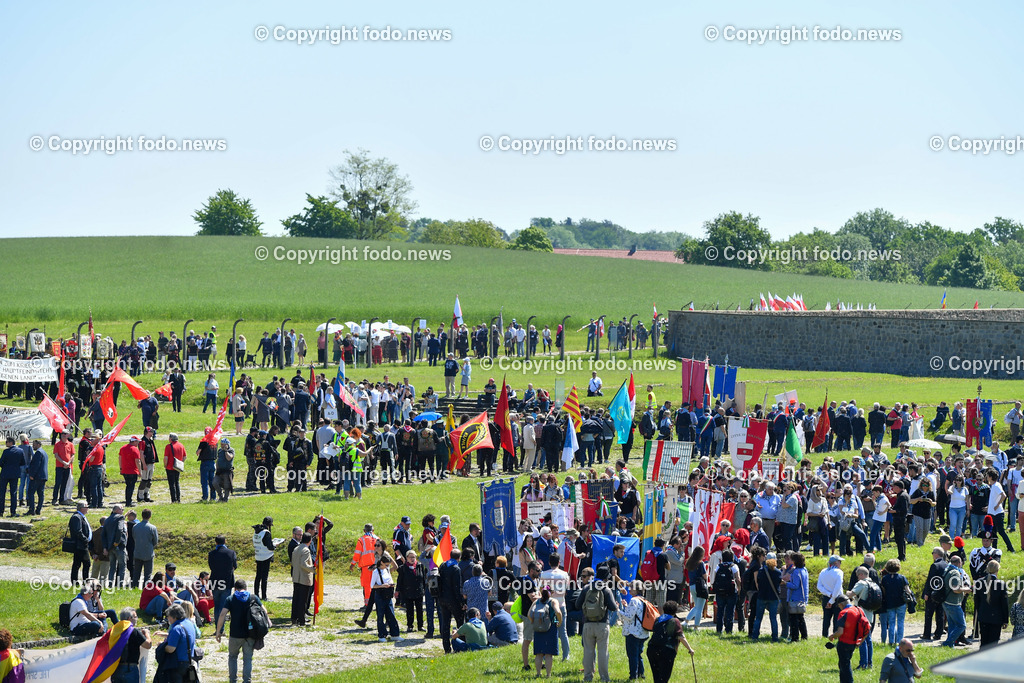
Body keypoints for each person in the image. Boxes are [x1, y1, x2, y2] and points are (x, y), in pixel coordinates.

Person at [576, 568, 618, 683]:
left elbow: (577, 604)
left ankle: (587, 677)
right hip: (602, 624)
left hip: (588, 624)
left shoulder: (586, 588)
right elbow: (613, 607)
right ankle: (604, 678)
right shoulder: (606, 589)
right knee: (603, 652)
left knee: (588, 651)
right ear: (606, 578)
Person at [646, 601, 694, 683]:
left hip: (652, 649)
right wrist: (690, 649)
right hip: (666, 652)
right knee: (664, 678)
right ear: (675, 611)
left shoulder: (658, 619)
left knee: (657, 677)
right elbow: (681, 637)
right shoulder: (675, 621)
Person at [827, 595, 869, 683]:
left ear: (841, 604)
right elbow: (868, 627)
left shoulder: (844, 613)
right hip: (853, 643)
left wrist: (832, 636)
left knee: (845, 667)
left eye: (839, 606)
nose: (839, 608)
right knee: (843, 665)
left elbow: (840, 632)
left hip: (844, 643)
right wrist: (861, 641)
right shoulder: (859, 610)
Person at [110, 607, 151, 683]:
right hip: (130, 669)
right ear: (129, 618)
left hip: (116, 669)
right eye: (135, 617)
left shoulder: (114, 631)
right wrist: (147, 634)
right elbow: (148, 645)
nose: (136, 619)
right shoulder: (133, 631)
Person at [975, 559, 1009, 648]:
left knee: (984, 642)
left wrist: (980, 613)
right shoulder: (1001, 584)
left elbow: (977, 602)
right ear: (997, 570)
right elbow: (1004, 604)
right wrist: (1005, 619)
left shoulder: (979, 582)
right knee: (993, 644)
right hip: (996, 618)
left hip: (983, 616)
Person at [621, 581, 651, 680]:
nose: (629, 589)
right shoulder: (643, 600)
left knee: (632, 656)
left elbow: (628, 617)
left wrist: (618, 610)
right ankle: (641, 674)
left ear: (636, 589)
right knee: (638, 655)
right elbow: (636, 614)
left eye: (631, 588)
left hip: (633, 633)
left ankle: (633, 676)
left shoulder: (634, 600)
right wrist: (626, 607)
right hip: (643, 632)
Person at [528, 589, 561, 676]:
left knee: (539, 653)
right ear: (552, 592)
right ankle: (548, 674)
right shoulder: (553, 601)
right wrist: (560, 622)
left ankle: (538, 673)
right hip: (550, 628)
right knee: (548, 654)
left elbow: (529, 614)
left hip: (538, 628)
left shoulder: (536, 601)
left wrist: (534, 622)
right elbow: (558, 612)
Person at [941, 556, 972, 648]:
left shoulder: (947, 570)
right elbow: (956, 589)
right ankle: (948, 642)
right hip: (953, 603)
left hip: (946, 601)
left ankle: (950, 645)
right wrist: (966, 589)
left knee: (952, 625)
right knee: (962, 625)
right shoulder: (955, 572)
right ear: (959, 563)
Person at [751, 551, 782, 641]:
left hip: (762, 596)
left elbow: (758, 582)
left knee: (758, 618)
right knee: (773, 618)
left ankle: (755, 636)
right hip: (773, 597)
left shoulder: (761, 571)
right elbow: (779, 583)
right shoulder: (778, 572)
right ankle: (775, 637)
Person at [371, 556, 403, 642]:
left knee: (391, 614)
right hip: (380, 595)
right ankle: (382, 635)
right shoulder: (376, 572)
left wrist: (391, 585)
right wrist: (382, 586)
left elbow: (390, 579)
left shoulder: (387, 570)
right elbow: (372, 585)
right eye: (386, 564)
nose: (387, 566)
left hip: (388, 595)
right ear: (381, 562)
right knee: (380, 615)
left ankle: (395, 634)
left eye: (388, 565)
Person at [161, 604, 195, 683]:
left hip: (178, 663)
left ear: (174, 617)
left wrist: (162, 646)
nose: (168, 619)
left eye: (168, 616)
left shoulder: (176, 628)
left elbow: (171, 649)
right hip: (190, 660)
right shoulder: (189, 623)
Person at [209, 534, 238, 619]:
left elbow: (211, 567)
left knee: (217, 605)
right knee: (223, 606)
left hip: (215, 581)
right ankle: (221, 626)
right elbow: (235, 566)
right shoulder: (231, 553)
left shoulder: (211, 554)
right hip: (226, 581)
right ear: (225, 541)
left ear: (216, 542)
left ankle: (217, 625)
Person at [782, 551, 809, 641]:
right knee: (801, 618)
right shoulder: (804, 570)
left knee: (793, 619)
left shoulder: (796, 571)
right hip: (802, 597)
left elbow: (795, 585)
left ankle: (795, 637)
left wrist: (786, 583)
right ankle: (804, 636)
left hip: (794, 598)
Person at [290, 532, 314, 626]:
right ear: (310, 541)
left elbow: (293, 562)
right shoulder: (306, 550)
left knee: (296, 599)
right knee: (302, 600)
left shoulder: (296, 548)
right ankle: (301, 620)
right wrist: (313, 569)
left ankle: (294, 618)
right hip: (303, 578)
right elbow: (304, 564)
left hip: (296, 577)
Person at [818, 555, 845, 638]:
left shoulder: (823, 571)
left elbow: (819, 586)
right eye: (840, 562)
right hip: (837, 598)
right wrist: (832, 599)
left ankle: (824, 635)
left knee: (826, 618)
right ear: (836, 563)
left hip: (826, 597)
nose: (840, 564)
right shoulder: (839, 572)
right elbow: (837, 587)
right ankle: (835, 636)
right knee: (837, 618)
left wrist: (828, 594)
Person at [252, 517, 276, 602]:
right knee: (264, 577)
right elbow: (269, 546)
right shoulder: (266, 533)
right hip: (266, 556)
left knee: (258, 576)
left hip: (258, 555)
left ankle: (256, 594)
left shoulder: (256, 531)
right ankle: (264, 596)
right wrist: (275, 546)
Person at [0, 437, 23, 517]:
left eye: (7, 442)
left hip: (5, 474)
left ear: (10, 442)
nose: (6, 443)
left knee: (2, 492)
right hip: (15, 474)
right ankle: (13, 511)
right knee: (13, 493)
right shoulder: (20, 451)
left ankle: (1, 511)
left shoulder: (6, 451)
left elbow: (1, 463)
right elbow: (22, 462)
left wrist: (5, 466)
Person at [26, 438, 47, 515]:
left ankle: (32, 509)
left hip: (37, 476)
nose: (33, 446)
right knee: (40, 494)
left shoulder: (38, 453)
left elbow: (36, 465)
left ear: (38, 445)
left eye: (34, 445)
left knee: (31, 492)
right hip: (43, 476)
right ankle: (38, 509)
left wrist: (32, 475)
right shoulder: (44, 452)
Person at [164, 433, 185, 504]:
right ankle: (178, 499)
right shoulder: (181, 445)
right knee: (177, 482)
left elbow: (166, 458)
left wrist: (165, 465)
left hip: (170, 467)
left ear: (171, 439)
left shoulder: (168, 446)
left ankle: (173, 500)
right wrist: (181, 462)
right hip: (177, 467)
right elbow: (184, 456)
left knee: (171, 484)